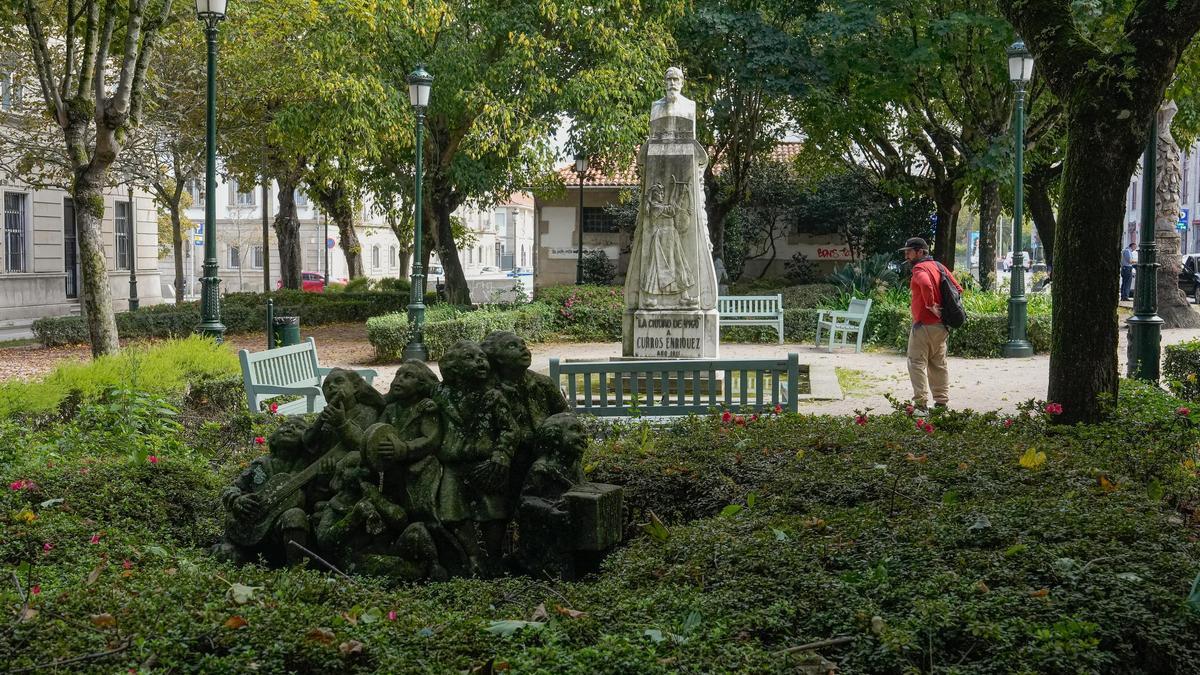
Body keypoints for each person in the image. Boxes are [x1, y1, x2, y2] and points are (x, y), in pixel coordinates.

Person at [900, 237, 962, 411]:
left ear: (920, 252)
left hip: (923, 325)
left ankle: (920, 403)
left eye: (909, 251)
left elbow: (926, 285)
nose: (906, 254)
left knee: (916, 362)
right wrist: (944, 310)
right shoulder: (939, 267)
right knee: (938, 363)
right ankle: (941, 402)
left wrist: (930, 305)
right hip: (941, 326)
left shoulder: (920, 268)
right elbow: (958, 289)